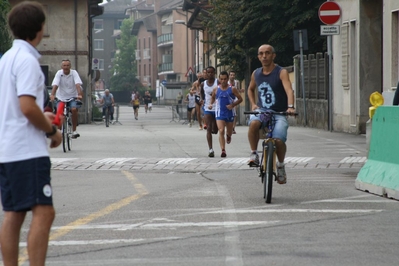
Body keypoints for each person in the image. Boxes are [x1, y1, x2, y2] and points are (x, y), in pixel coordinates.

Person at [0, 2, 62, 265]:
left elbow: (16, 106)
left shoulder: (6, 59)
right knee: (44, 212)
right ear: (39, 29)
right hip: (28, 150)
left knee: (13, 213)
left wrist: (41, 114)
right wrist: (51, 130)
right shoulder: (27, 61)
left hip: (7, 148)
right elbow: (26, 106)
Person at [247, 44, 295, 184]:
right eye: (261, 54)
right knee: (254, 123)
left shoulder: (281, 72)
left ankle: (280, 165)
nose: (264, 56)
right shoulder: (256, 73)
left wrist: (290, 107)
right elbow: (250, 89)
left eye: (267, 53)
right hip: (262, 110)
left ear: (273, 55)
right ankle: (254, 153)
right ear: (258, 57)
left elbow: (289, 90)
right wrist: (253, 104)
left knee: (279, 140)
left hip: (279, 112)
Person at [209, 71, 243, 157]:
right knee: (221, 130)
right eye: (221, 79)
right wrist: (210, 104)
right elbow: (213, 97)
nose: (223, 81)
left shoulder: (232, 89)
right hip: (219, 113)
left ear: (227, 79)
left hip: (230, 113)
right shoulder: (216, 89)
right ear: (219, 80)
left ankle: (229, 135)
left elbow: (240, 99)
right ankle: (223, 150)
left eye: (225, 79)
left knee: (229, 131)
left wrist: (233, 105)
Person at [50, 59, 83, 138]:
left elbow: (77, 84)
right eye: (64, 65)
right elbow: (55, 85)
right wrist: (52, 94)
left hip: (72, 96)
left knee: (74, 109)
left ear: (70, 66)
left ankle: (74, 130)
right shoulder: (59, 73)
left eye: (67, 65)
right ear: (62, 67)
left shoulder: (74, 73)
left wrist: (79, 94)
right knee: (59, 112)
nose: (66, 67)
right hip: (61, 97)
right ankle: (59, 130)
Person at [200, 66, 219, 157]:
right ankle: (210, 149)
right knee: (208, 128)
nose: (210, 74)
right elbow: (202, 93)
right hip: (208, 108)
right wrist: (202, 99)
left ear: (214, 73)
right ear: (206, 74)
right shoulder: (203, 84)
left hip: (217, 108)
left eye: (212, 72)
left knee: (215, 130)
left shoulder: (217, 82)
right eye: (208, 72)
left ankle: (214, 129)